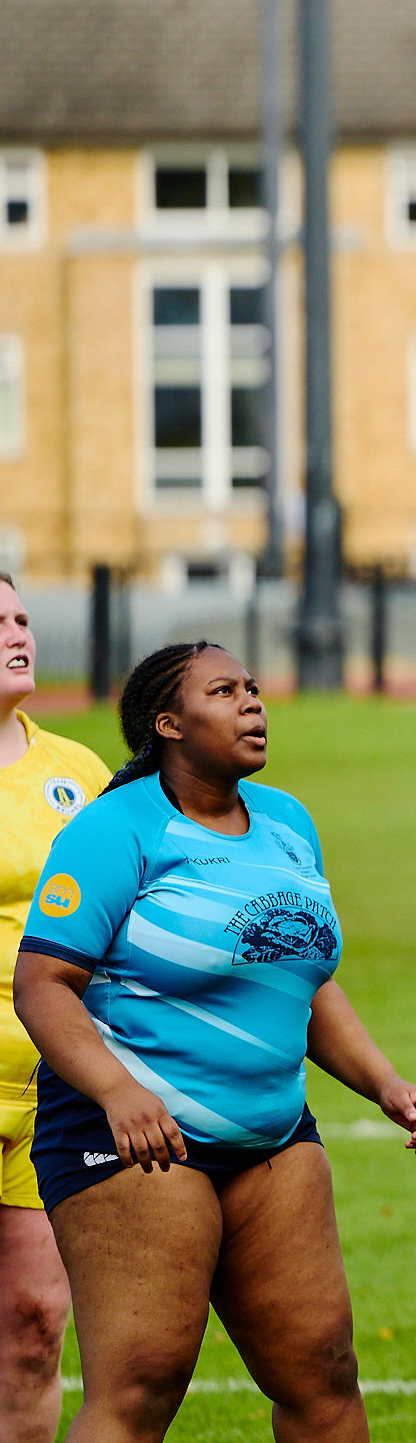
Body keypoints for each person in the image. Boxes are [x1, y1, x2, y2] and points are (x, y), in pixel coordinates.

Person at [12, 641, 416, 1443]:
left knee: (322, 1375)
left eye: (251, 687)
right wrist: (116, 1092)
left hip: (272, 1137)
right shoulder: (116, 828)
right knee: (141, 1384)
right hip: (135, 1138)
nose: (253, 702)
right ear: (168, 724)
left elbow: (297, 978)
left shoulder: (286, 821)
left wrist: (383, 1081)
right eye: (224, 691)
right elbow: (42, 984)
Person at [0, 575, 104, 1443]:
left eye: (22, 618)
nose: (16, 633)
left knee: (35, 1327)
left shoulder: (79, 774)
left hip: (48, 1094)